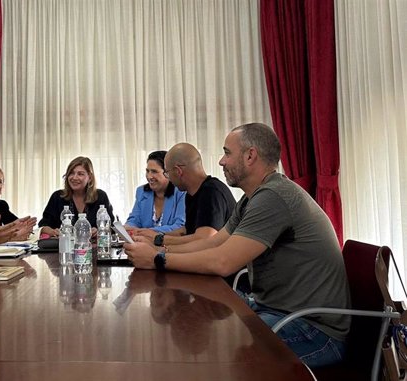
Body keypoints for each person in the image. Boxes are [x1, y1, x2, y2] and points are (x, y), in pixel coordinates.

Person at [124, 123, 351, 368]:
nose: (221, 161)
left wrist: (157, 259)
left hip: (313, 329)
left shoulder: (273, 197)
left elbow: (222, 261)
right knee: (213, 333)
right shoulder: (251, 198)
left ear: (250, 155)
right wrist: (158, 251)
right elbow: (213, 244)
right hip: (277, 310)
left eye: (227, 153)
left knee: (222, 355)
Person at [134, 143, 235, 247]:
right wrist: (151, 236)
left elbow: (204, 239)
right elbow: (187, 231)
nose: (168, 178)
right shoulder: (191, 194)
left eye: (167, 173)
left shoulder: (211, 192)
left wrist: (159, 240)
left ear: (178, 171)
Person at [39, 156, 115, 236]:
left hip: (93, 246)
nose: (74, 178)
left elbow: (111, 227)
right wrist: (52, 231)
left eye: (80, 174)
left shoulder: (100, 196)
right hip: (63, 246)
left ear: (90, 178)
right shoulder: (57, 196)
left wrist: (99, 230)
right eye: (71, 173)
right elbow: (43, 226)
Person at [125, 150, 186, 234]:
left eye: (154, 172)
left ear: (167, 173)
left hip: (171, 244)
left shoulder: (181, 192)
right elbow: (134, 220)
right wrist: (128, 228)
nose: (149, 176)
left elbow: (180, 226)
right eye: (147, 171)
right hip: (144, 243)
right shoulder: (141, 192)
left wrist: (147, 232)